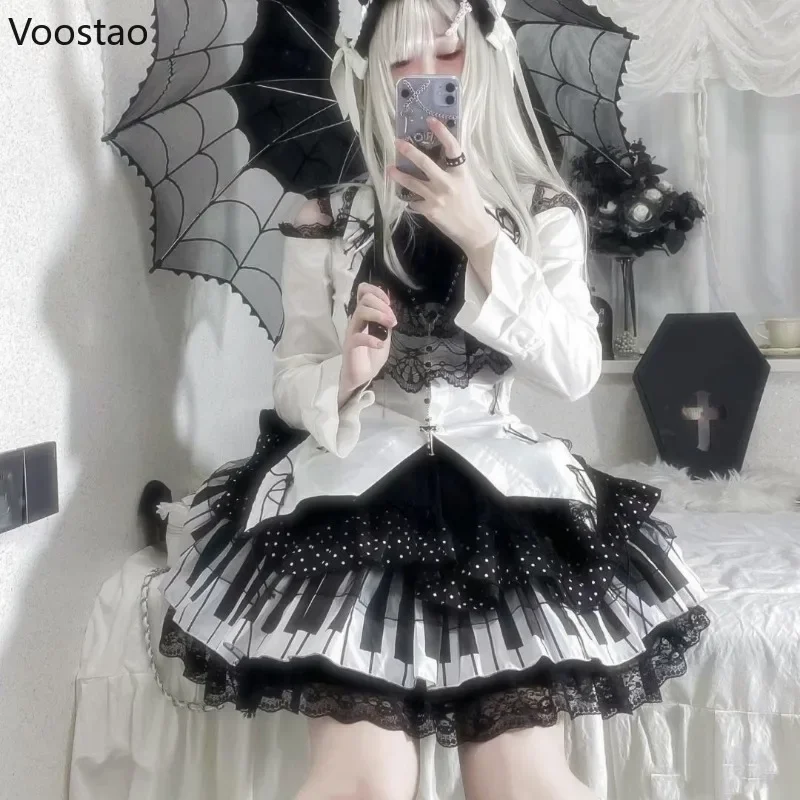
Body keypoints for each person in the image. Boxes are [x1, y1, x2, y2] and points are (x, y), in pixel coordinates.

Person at [157, 1, 710, 798]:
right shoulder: (329, 213)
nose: (423, 75)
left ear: (483, 59)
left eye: (446, 53)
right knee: (363, 780)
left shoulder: (541, 210)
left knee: (522, 781)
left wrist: (480, 233)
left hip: (505, 500)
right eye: (400, 60)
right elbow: (293, 377)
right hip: (352, 495)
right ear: (370, 75)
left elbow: (574, 369)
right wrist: (346, 372)